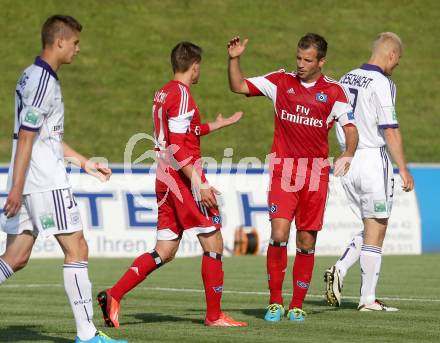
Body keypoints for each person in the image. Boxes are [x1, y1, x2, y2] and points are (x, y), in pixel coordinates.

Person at [97, 41, 247, 328]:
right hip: (181, 179)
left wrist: (217, 125)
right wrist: (198, 183)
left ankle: (114, 295)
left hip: (164, 178)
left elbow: (178, 134)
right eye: (199, 66)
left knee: (164, 250)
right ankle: (214, 316)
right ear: (194, 66)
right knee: (213, 241)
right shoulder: (183, 96)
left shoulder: (164, 92)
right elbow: (178, 148)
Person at [0, 15, 127, 343]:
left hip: (30, 179)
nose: (78, 49)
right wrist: (15, 188)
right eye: (75, 42)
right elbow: (26, 138)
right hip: (44, 181)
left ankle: (87, 334)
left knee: (16, 257)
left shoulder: (34, 76)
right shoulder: (42, 82)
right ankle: (87, 334)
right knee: (77, 248)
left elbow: (44, 136)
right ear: (59, 42)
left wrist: (84, 163)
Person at [227, 34, 359, 322]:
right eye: (298, 58)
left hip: (315, 177)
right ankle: (275, 302)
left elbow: (350, 128)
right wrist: (234, 58)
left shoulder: (334, 92)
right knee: (278, 235)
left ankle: (297, 304)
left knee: (307, 240)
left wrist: (347, 153)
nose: (300, 64)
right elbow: (238, 86)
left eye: (307, 60)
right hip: (283, 173)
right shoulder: (280, 81)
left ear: (321, 62)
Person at [324, 32, 414, 311]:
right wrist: (403, 168)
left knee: (370, 226)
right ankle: (367, 299)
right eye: (397, 60)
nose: (396, 65)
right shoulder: (383, 83)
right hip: (373, 159)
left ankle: (341, 268)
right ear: (392, 55)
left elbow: (329, 118)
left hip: (347, 161)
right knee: (378, 228)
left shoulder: (346, 77)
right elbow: (391, 128)